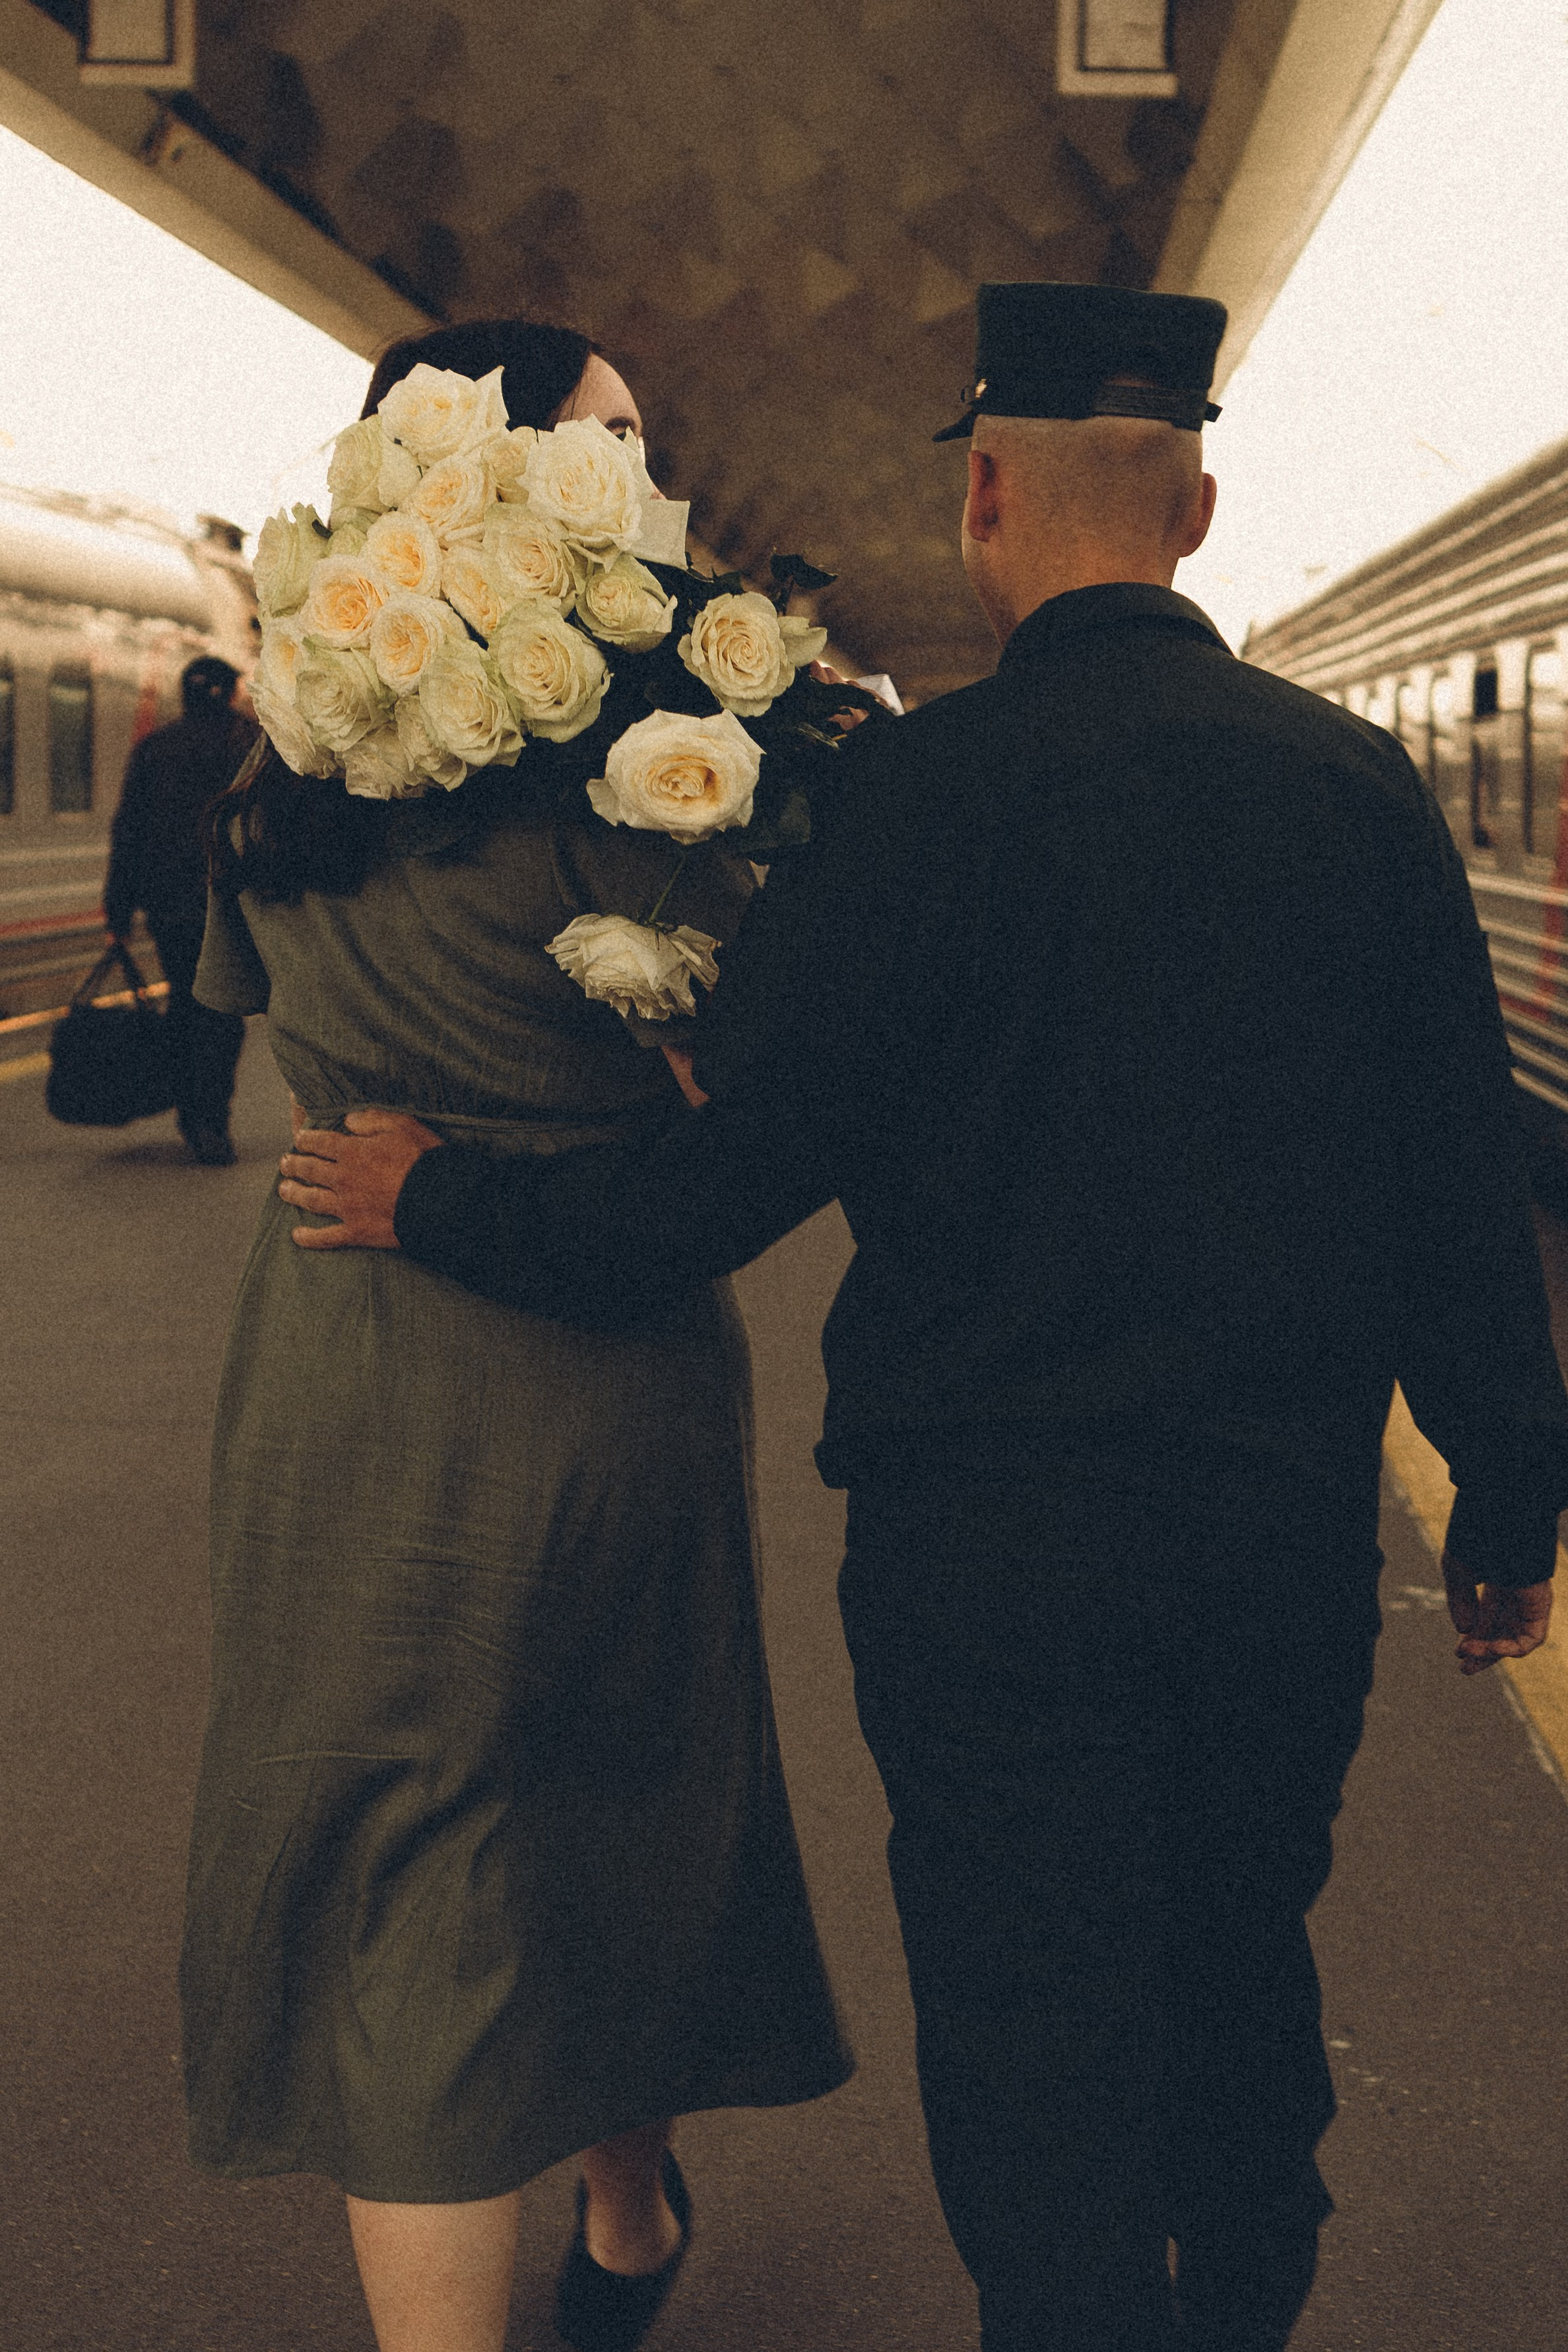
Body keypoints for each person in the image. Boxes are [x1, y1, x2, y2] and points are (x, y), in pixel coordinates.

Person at [277, 281, 1568, 2352]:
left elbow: (712, 1194)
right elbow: (1459, 1188)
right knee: (1243, 1953)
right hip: (1272, 1540)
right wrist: (1507, 1502)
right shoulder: (1354, 795)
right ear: (1198, 514)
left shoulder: (911, 804)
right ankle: (1241, 2304)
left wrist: (439, 1196)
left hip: (986, 1563)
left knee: (1030, 2013)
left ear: (981, 499)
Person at [183, 317, 851, 2352]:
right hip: (597, 1360)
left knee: (404, 1849)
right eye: (614, 435)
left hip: (341, 1344)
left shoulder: (282, 764)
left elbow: (254, 1006)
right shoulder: (643, 782)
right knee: (618, 1800)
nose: (650, 473)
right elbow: (738, 1079)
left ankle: (573, 2239)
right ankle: (626, 2205)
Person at [104, 655, 250, 1163]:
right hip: (230, 904)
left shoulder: (155, 748)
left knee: (186, 1005)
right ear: (230, 693)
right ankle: (212, 1120)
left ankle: (193, 1114)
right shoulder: (249, 745)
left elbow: (128, 829)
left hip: (169, 908)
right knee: (223, 1011)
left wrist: (118, 911)